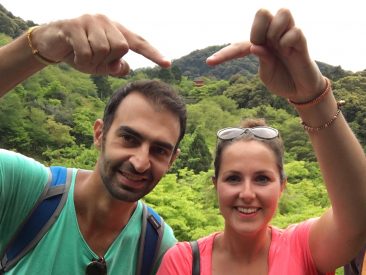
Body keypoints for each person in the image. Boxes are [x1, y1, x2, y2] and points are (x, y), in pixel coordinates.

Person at [157, 8, 366, 275]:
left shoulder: (302, 247)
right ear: (215, 185)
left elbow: (357, 216)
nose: (246, 193)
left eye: (262, 179)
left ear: (282, 186)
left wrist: (312, 95)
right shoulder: (183, 262)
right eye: (233, 178)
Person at [0, 14, 187, 274]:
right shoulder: (23, 189)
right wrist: (39, 46)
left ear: (172, 160)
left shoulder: (157, 248)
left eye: (159, 150)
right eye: (129, 139)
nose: (140, 162)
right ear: (100, 134)